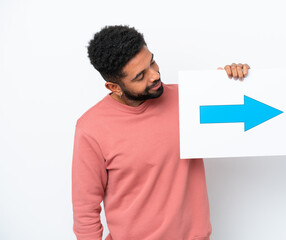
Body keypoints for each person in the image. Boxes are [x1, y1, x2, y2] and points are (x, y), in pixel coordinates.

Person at [71, 25, 250, 240]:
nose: (155, 75)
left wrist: (233, 80)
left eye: (152, 62)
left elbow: (235, 114)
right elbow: (85, 210)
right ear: (114, 87)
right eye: (140, 76)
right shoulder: (91, 128)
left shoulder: (189, 99)